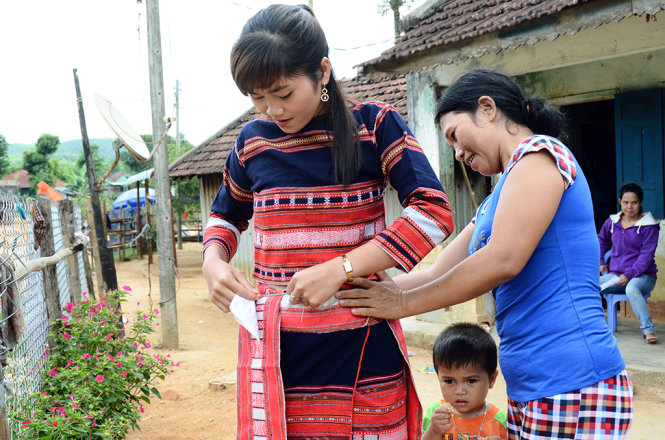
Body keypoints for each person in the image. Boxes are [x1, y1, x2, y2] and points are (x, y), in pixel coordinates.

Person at [201, 4, 454, 439]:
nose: (271, 110)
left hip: (361, 340)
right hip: (278, 351)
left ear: (322, 71)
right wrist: (213, 261)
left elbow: (432, 211)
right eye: (257, 98)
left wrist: (341, 268)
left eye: (282, 93)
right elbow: (225, 215)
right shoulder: (251, 143)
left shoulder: (375, 126)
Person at [337, 68, 633, 438]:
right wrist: (355, 286)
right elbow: (434, 274)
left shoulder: (541, 154)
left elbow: (502, 259)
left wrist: (401, 305)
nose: (459, 153)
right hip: (535, 385)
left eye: (456, 136)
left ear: (487, 108)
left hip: (572, 377)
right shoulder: (497, 199)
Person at [422, 323, 507, 440]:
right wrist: (434, 430)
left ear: (491, 379)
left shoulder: (501, 421)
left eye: (471, 381)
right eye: (449, 381)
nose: (459, 391)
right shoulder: (436, 415)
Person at [599, 182, 659, 344]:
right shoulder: (612, 222)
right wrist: (601, 260)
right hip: (616, 276)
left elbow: (646, 257)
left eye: (634, 203)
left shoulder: (649, 226)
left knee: (632, 287)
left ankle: (648, 330)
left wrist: (629, 274)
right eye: (626, 202)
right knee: (589, 285)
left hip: (643, 276)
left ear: (641, 202)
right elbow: (601, 240)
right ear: (620, 201)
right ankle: (591, 324)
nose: (629, 207)